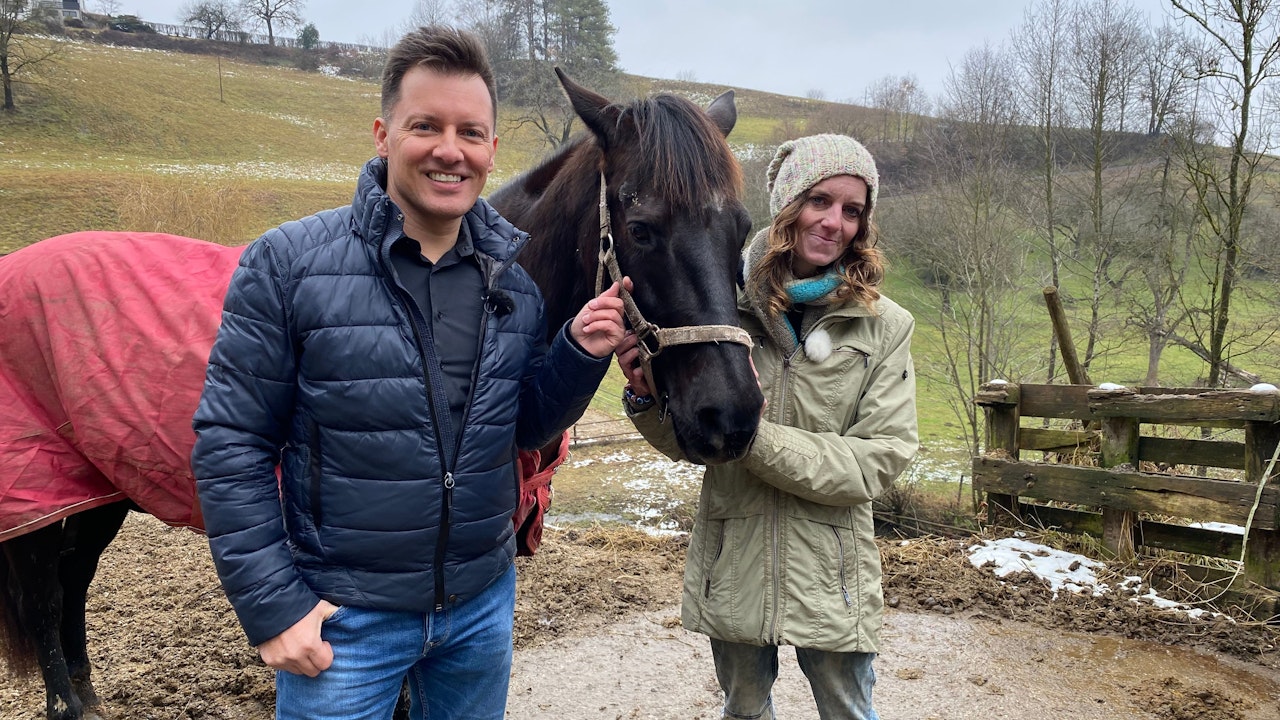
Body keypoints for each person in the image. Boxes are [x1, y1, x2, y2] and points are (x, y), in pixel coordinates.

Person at [191, 26, 628, 720]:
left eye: (471, 132)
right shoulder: (287, 265)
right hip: (347, 622)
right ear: (383, 133)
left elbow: (519, 429)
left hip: (480, 611)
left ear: (491, 150)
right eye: (426, 125)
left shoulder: (512, 283)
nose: (450, 149)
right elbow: (230, 444)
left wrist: (576, 351)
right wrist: (274, 608)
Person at [617, 133, 918, 720]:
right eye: (820, 201)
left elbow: (877, 460)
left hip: (833, 574)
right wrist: (646, 398)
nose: (834, 222)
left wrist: (751, 437)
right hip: (736, 561)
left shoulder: (885, 326)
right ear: (787, 205)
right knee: (744, 713)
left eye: (852, 210)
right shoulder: (721, 309)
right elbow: (692, 443)